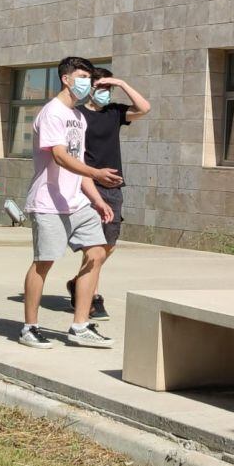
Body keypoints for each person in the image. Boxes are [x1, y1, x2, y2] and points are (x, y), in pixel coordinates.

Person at [19, 57, 125, 349]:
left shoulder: (78, 117)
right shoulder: (52, 113)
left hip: (77, 201)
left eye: (88, 79)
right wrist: (95, 173)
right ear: (65, 79)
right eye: (81, 77)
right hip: (49, 202)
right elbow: (60, 156)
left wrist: (97, 199)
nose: (86, 83)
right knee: (44, 263)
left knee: (96, 254)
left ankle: (80, 325)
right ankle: (30, 327)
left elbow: (76, 163)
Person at [63, 66, 152, 320]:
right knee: (94, 247)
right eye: (100, 87)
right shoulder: (77, 115)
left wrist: (122, 83)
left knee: (108, 246)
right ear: (89, 88)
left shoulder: (115, 113)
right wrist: (89, 175)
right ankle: (92, 296)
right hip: (88, 184)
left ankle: (77, 282)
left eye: (107, 89)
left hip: (113, 187)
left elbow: (144, 108)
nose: (104, 93)